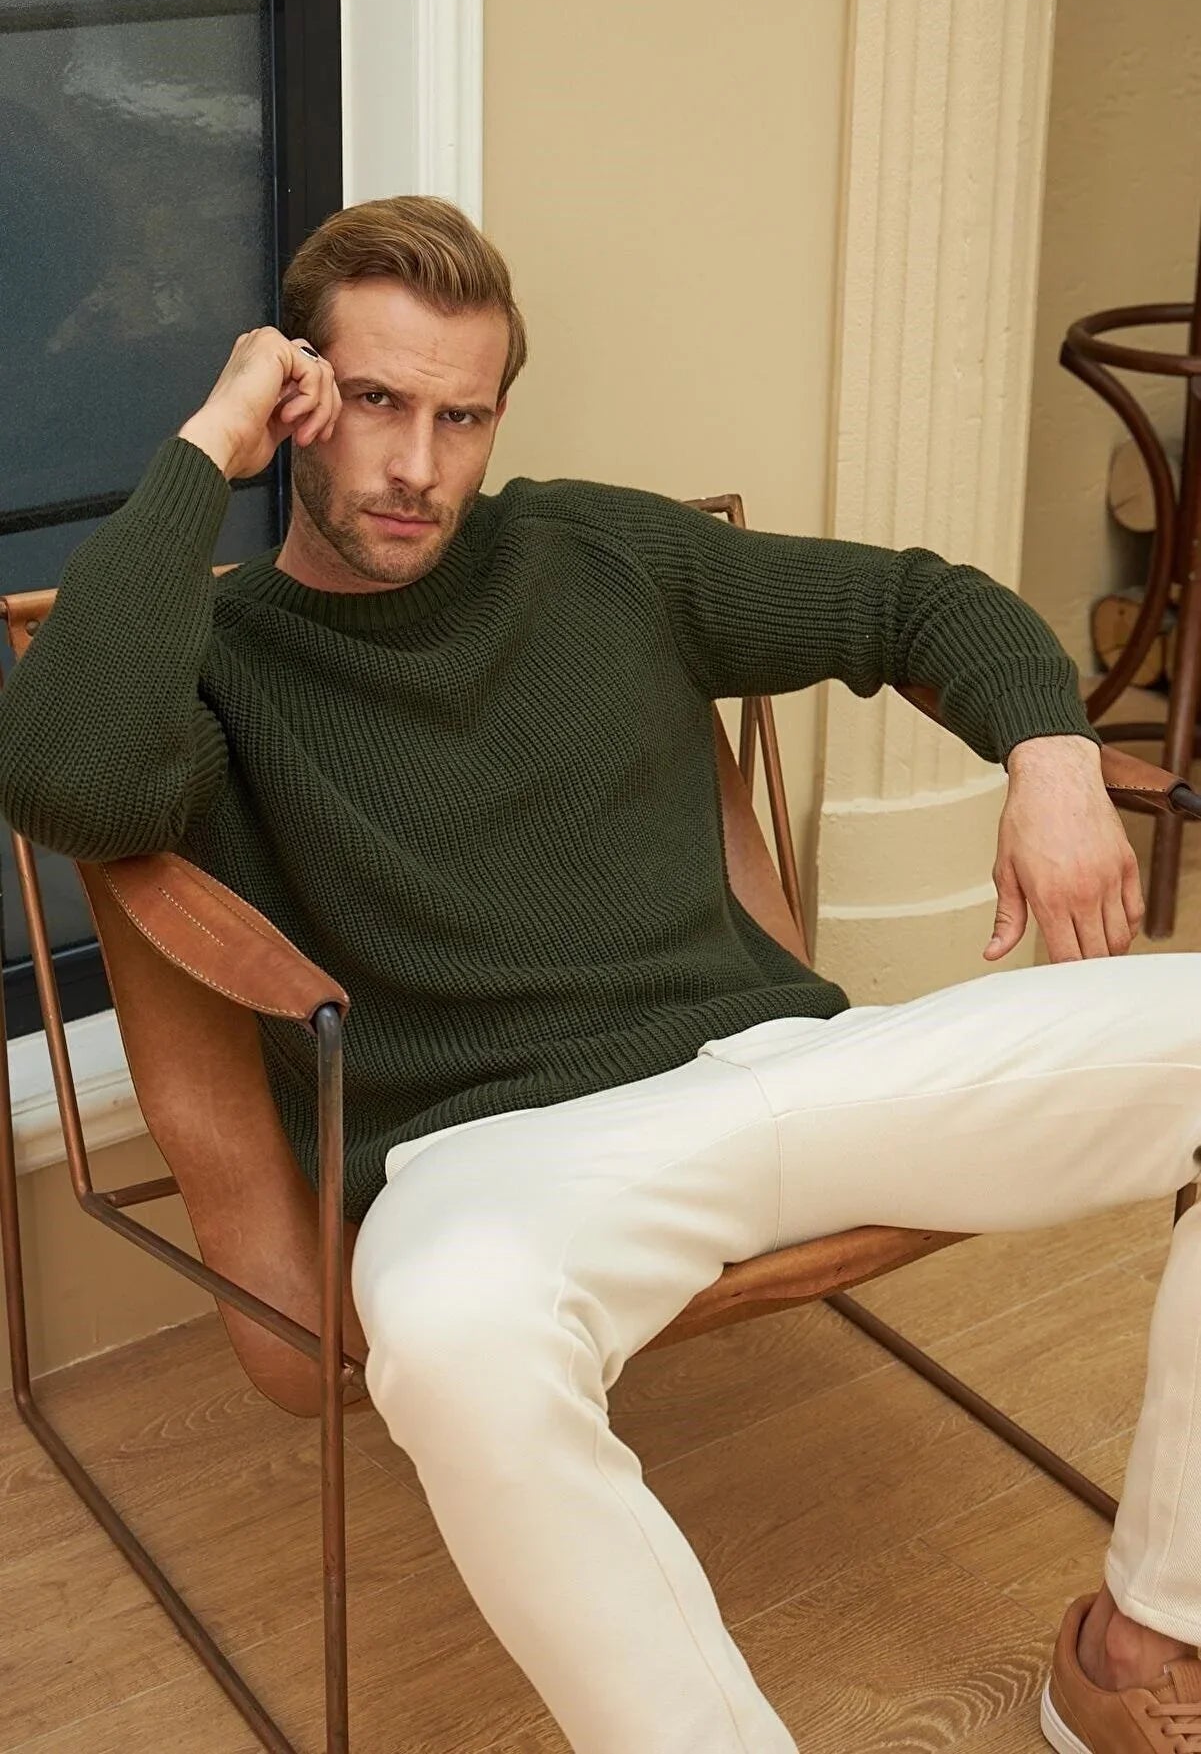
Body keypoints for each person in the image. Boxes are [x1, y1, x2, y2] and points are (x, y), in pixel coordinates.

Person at [0, 194, 1198, 1754]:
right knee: (449, 1333)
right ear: (295, 396)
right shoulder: (215, 661)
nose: (416, 464)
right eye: (374, 402)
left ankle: (1141, 1637)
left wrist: (1047, 753)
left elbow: (911, 598)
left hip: (794, 1068)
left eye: (460, 416)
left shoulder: (592, 547)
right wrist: (200, 452)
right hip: (497, 1162)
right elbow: (72, 783)